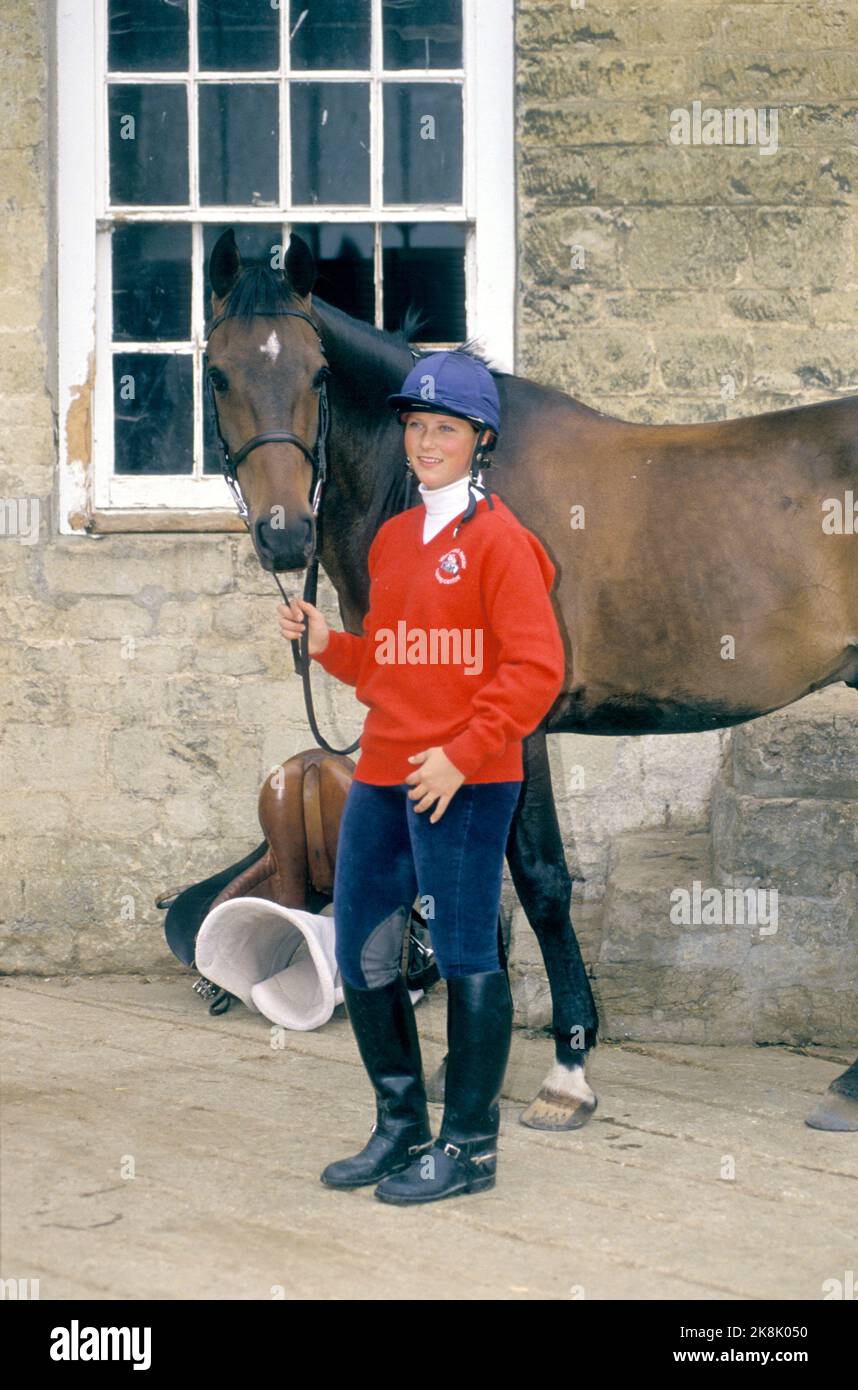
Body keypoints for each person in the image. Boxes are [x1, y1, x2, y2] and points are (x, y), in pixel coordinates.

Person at [277, 350, 566, 1205]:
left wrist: (464, 753)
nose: (426, 440)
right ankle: (400, 1126)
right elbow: (392, 669)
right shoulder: (395, 540)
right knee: (365, 949)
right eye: (415, 425)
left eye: (445, 427)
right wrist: (330, 645)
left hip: (467, 782)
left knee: (466, 951)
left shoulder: (507, 544)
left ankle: (470, 1148)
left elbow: (535, 669)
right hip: (383, 772)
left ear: (479, 439)